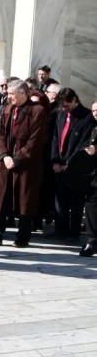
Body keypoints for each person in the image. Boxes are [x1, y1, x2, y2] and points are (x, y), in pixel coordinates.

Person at [0, 80, 48, 248]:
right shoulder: (7, 109)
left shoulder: (37, 111)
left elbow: (35, 141)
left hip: (26, 164)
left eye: (11, 94)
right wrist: (3, 154)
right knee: (1, 197)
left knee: (25, 198)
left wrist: (17, 158)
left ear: (22, 93)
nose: (8, 97)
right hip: (5, 161)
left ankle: (23, 236)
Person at [50, 88, 95, 238]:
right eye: (62, 106)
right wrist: (55, 160)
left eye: (67, 106)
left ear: (75, 100)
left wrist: (70, 163)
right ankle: (60, 230)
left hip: (75, 166)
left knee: (76, 200)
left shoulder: (87, 116)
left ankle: (74, 232)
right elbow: (56, 137)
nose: (64, 109)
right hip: (60, 164)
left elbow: (83, 143)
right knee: (60, 198)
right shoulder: (60, 114)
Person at [79, 101, 97, 257]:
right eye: (93, 110)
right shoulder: (93, 127)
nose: (95, 113)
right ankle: (91, 241)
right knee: (91, 205)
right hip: (93, 175)